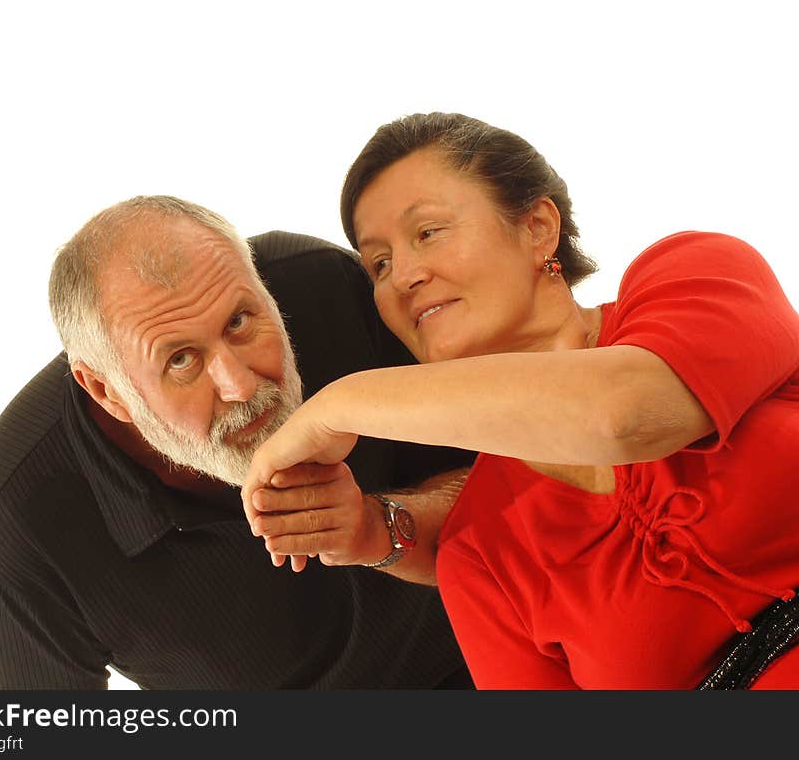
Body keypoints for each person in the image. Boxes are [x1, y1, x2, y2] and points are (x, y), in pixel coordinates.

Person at [242, 112, 799, 690]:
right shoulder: (478, 554)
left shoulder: (692, 275)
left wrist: (342, 402)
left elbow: (622, 414)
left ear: (537, 227)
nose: (402, 276)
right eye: (378, 264)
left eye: (427, 232)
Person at [0, 194, 476, 690]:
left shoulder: (327, 286)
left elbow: (530, 474)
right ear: (105, 391)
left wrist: (380, 522)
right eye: (180, 360)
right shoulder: (18, 529)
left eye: (239, 322)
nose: (241, 386)